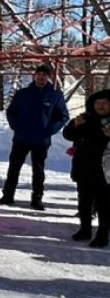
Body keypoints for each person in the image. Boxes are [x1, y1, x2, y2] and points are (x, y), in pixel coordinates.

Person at [0, 63, 70, 210]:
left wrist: (49, 129)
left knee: (38, 170)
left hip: (41, 140)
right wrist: (16, 126)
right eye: (39, 74)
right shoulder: (23, 94)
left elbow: (63, 116)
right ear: (34, 76)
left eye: (44, 75)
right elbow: (11, 111)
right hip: (21, 138)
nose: (41, 77)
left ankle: (37, 198)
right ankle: (8, 195)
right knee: (14, 167)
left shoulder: (55, 96)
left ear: (48, 78)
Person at [62, 89, 110, 248]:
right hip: (84, 167)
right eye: (97, 103)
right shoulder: (85, 118)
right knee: (84, 200)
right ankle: (85, 229)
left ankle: (103, 234)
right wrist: (74, 125)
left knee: (104, 203)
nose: (100, 106)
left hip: (106, 170)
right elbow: (68, 135)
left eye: (104, 103)